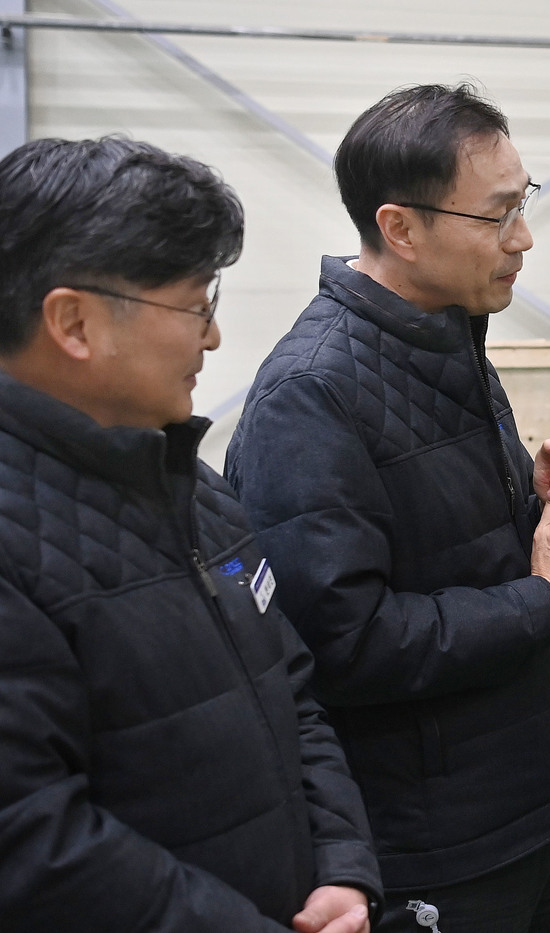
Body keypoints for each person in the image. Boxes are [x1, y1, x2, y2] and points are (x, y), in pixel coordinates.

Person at [225, 83, 550, 933]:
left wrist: (542, 504)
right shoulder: (312, 395)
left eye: (524, 203)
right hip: (431, 854)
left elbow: (452, 549)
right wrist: (543, 597)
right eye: (498, 215)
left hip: (534, 814)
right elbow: (344, 642)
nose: (523, 237)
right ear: (400, 228)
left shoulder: (446, 338)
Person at [0, 137, 381, 932]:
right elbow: (33, 839)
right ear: (74, 321)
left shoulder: (193, 490)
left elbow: (293, 692)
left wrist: (343, 866)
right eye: (194, 306)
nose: (212, 339)